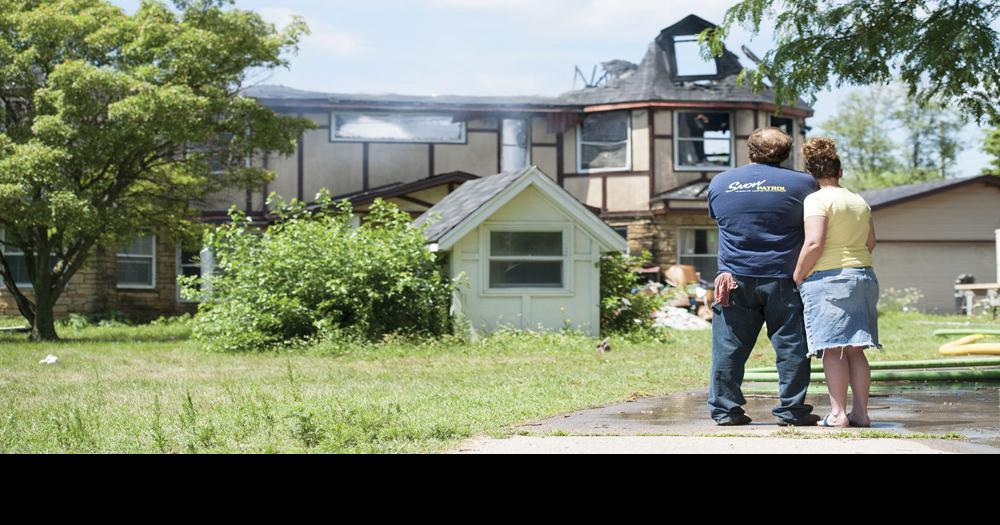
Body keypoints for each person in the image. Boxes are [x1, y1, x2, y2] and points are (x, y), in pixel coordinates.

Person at [707, 128, 820, 427]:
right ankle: (792, 411)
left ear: (750, 150)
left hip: (733, 279)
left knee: (728, 348)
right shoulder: (805, 184)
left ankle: (725, 411)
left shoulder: (721, 182)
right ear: (786, 153)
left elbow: (721, 219)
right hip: (784, 277)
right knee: (792, 347)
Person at [792, 137, 882, 428]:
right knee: (856, 348)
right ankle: (861, 414)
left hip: (829, 279)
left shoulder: (816, 200)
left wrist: (799, 273)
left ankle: (838, 414)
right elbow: (870, 242)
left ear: (810, 173)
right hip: (863, 276)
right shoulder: (859, 200)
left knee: (833, 348)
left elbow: (815, 242)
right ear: (840, 171)